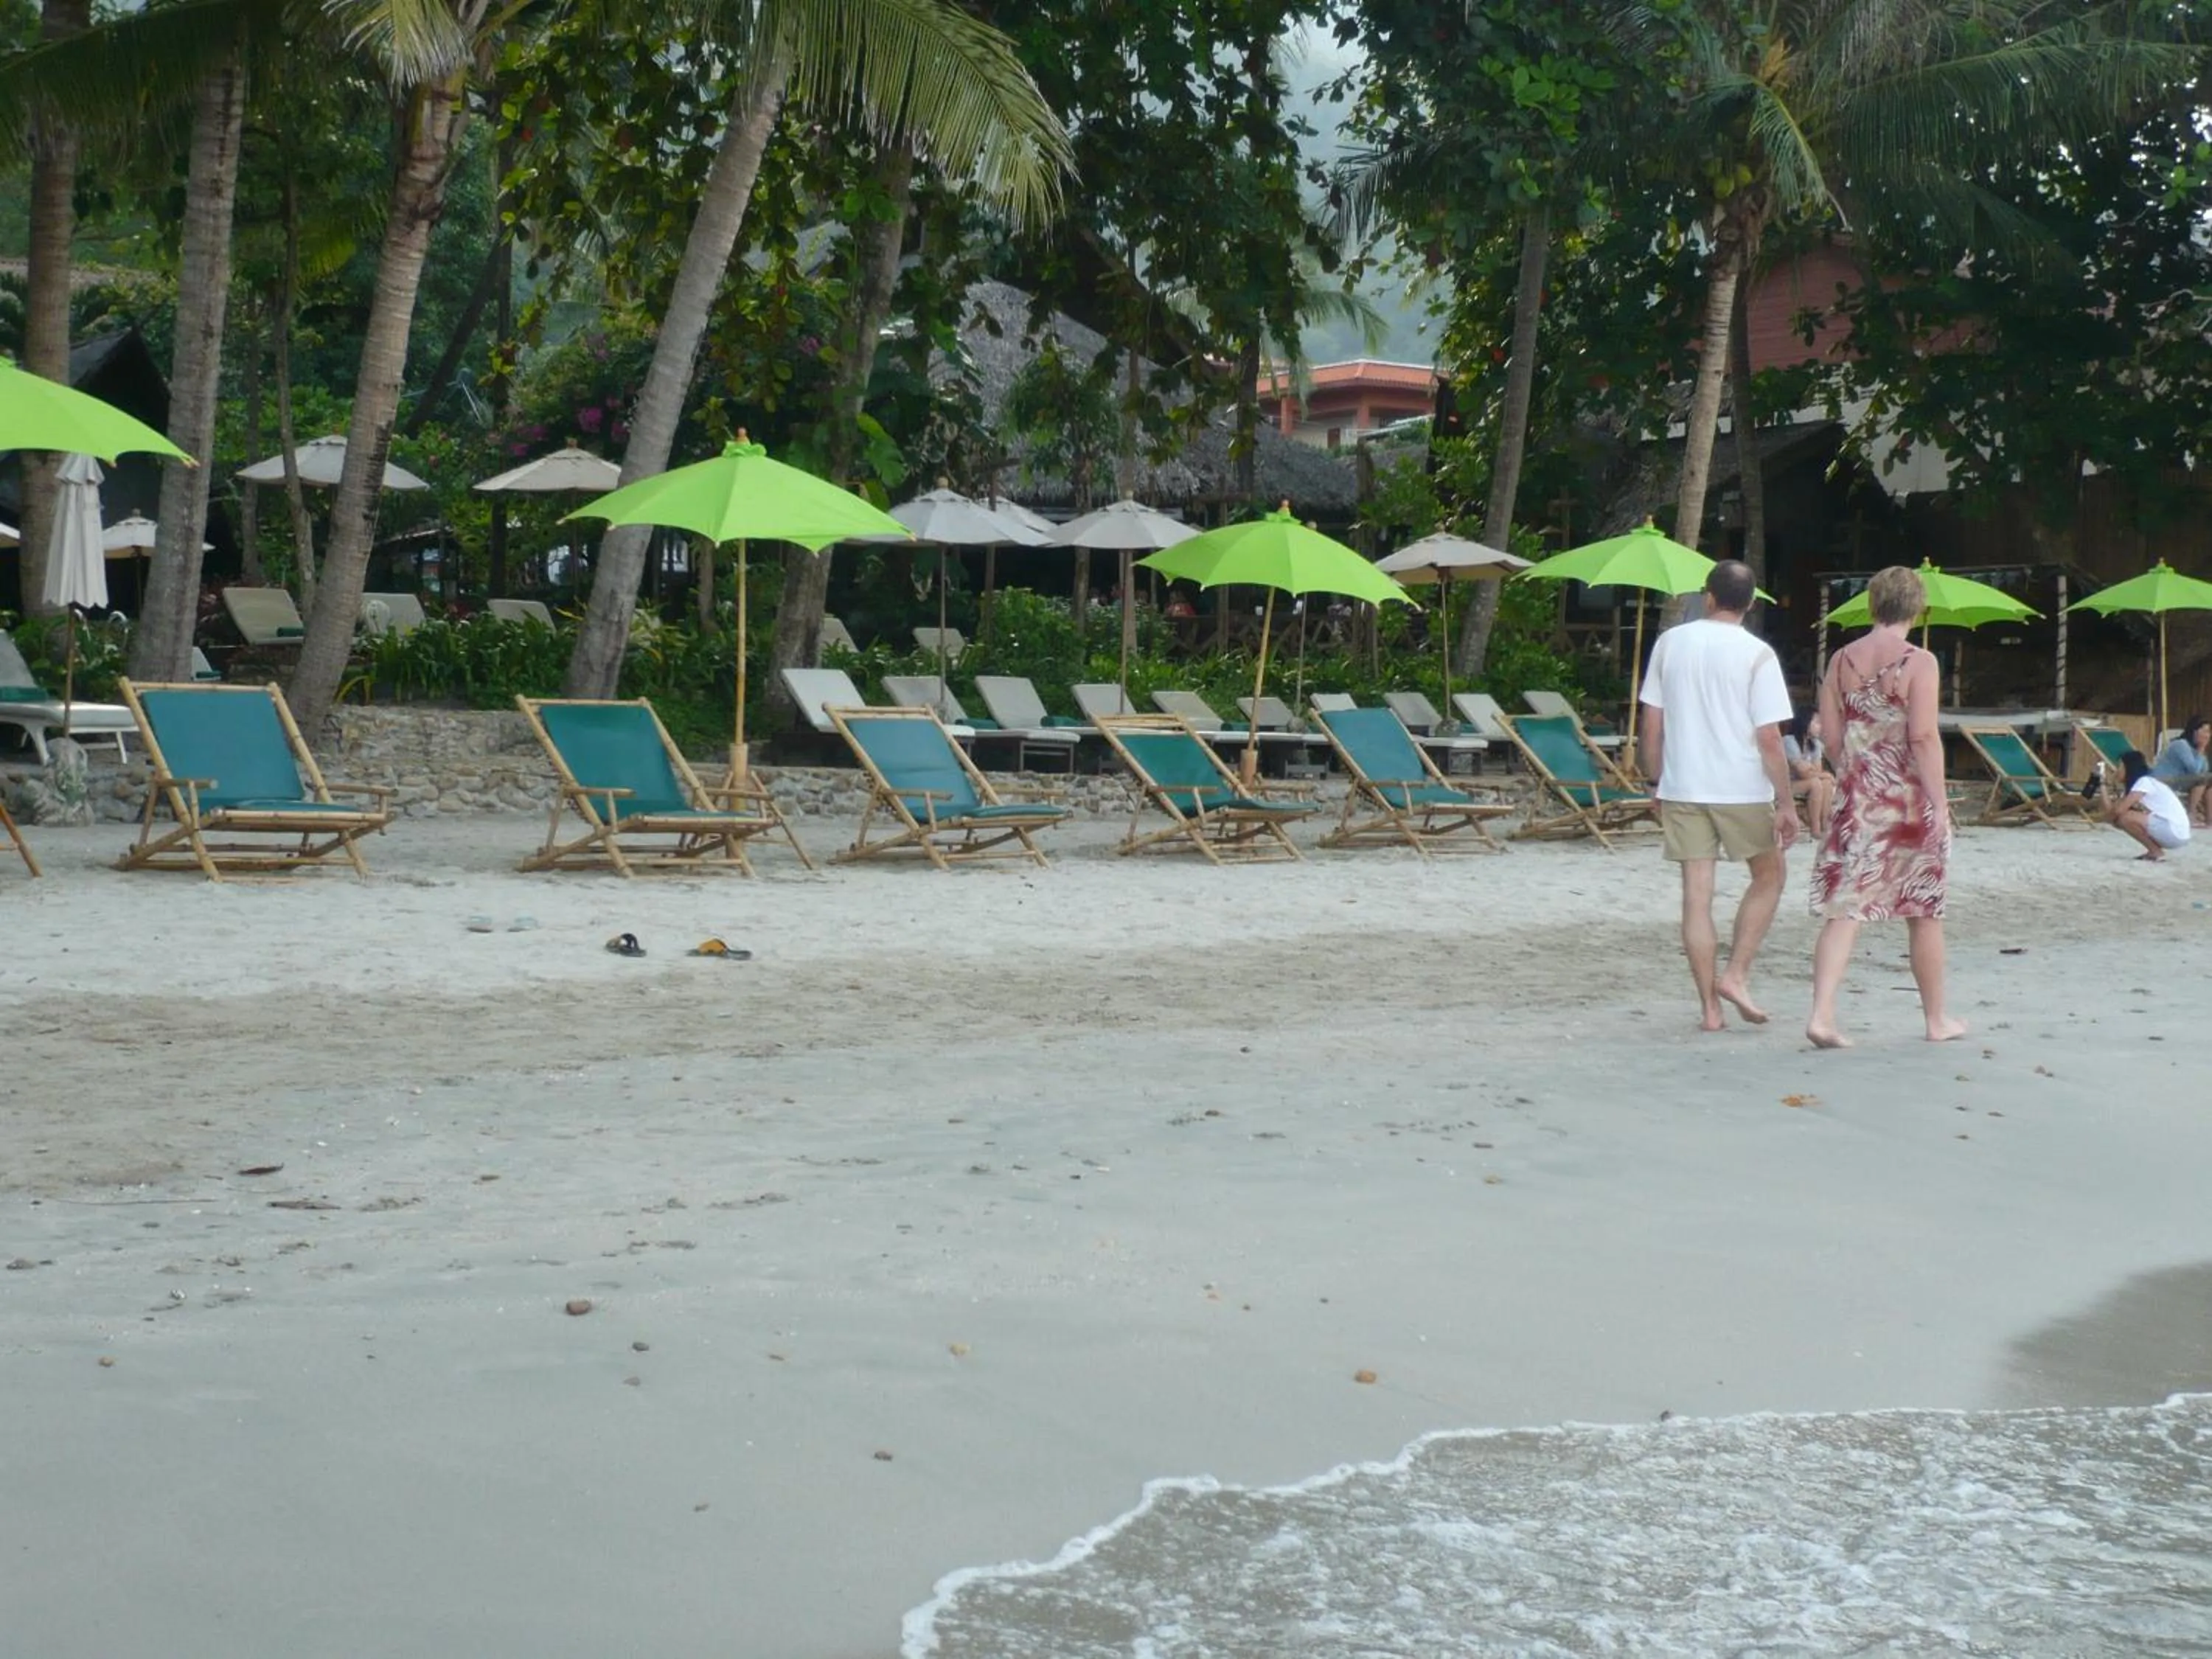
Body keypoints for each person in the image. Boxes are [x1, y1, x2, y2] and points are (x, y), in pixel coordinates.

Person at [1805, 564, 1966, 1048]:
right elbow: (1923, 736)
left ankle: (1822, 1014)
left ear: (1873, 604)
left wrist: (1856, 769)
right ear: (1917, 608)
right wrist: (1940, 805)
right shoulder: (1920, 662)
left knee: (1845, 909)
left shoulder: (1840, 660)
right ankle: (1936, 1019)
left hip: (1858, 797)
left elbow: (1832, 736)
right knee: (1924, 909)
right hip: (1908, 802)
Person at [1638, 560, 1798, 1032]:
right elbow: (1769, 737)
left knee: (1696, 898)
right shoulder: (1758, 654)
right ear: (1750, 604)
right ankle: (1736, 973)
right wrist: (1787, 802)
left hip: (1684, 784)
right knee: (1769, 876)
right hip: (1741, 786)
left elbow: (1652, 722)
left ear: (1707, 597)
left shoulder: (1670, 643)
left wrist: (1655, 780)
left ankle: (1710, 1010)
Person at [2102, 748, 2191, 860]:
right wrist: (2102, 785)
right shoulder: (2139, 786)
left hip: (2174, 830)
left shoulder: (2144, 782)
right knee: (2121, 819)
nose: (2116, 771)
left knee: (2125, 818)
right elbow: (2112, 811)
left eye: (2119, 766)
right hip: (2177, 832)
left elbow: (2117, 812)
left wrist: (2109, 819)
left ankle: (2155, 852)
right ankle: (2155, 851)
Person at [2150, 716, 2212, 827]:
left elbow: (2205, 770)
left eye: (2208, 732)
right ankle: (2191, 815)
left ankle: (2210, 820)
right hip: (2164, 779)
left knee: (2209, 782)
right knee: (2203, 780)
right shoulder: (2181, 745)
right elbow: (2195, 771)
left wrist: (2202, 752)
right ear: (2194, 731)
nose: (2207, 735)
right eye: (2204, 731)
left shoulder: (2195, 749)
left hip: (2179, 779)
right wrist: (2201, 749)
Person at [1784, 710, 1835, 835]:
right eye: (1817, 723)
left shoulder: (1815, 744)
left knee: (1827, 783)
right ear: (1805, 722)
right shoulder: (1789, 741)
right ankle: (1815, 827)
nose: (1820, 727)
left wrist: (1811, 769)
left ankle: (1825, 824)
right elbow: (1802, 772)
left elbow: (1817, 770)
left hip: (1805, 781)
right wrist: (1821, 773)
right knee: (1816, 783)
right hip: (1787, 784)